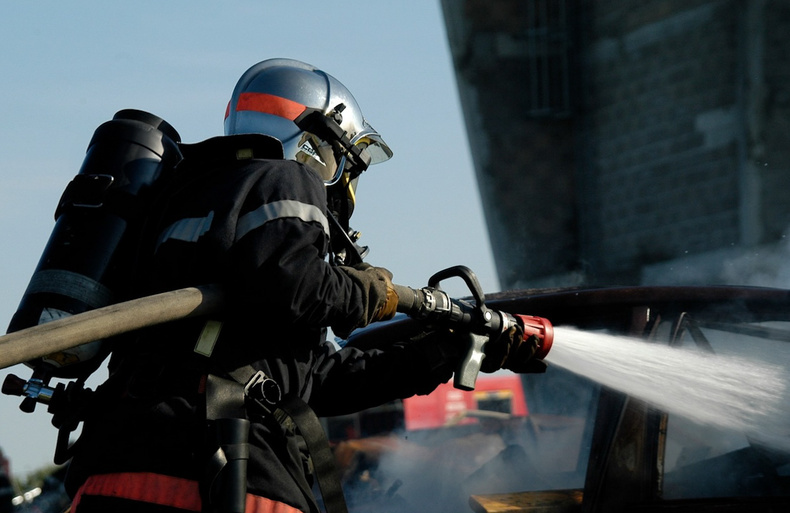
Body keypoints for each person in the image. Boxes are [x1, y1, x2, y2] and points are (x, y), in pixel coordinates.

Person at [62, 58, 543, 513]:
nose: (346, 185)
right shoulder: (283, 177)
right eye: (347, 162)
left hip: (112, 471)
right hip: (221, 476)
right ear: (317, 143)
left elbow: (314, 380)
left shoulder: (185, 200)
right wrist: (370, 292)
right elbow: (296, 284)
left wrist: (442, 351)